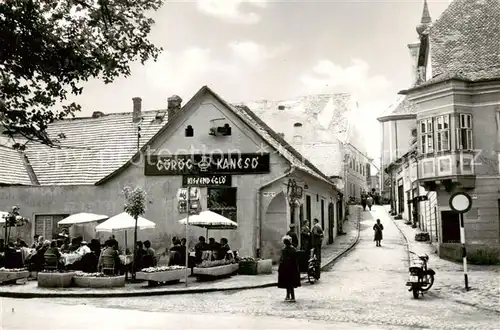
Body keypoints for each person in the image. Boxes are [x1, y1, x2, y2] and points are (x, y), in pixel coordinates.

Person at [277, 235, 300, 302]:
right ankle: (292, 296)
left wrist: (280, 268)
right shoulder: (293, 249)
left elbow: (282, 260)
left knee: (287, 283)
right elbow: (295, 259)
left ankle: (288, 296)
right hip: (292, 268)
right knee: (291, 283)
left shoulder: (284, 250)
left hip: (286, 269)